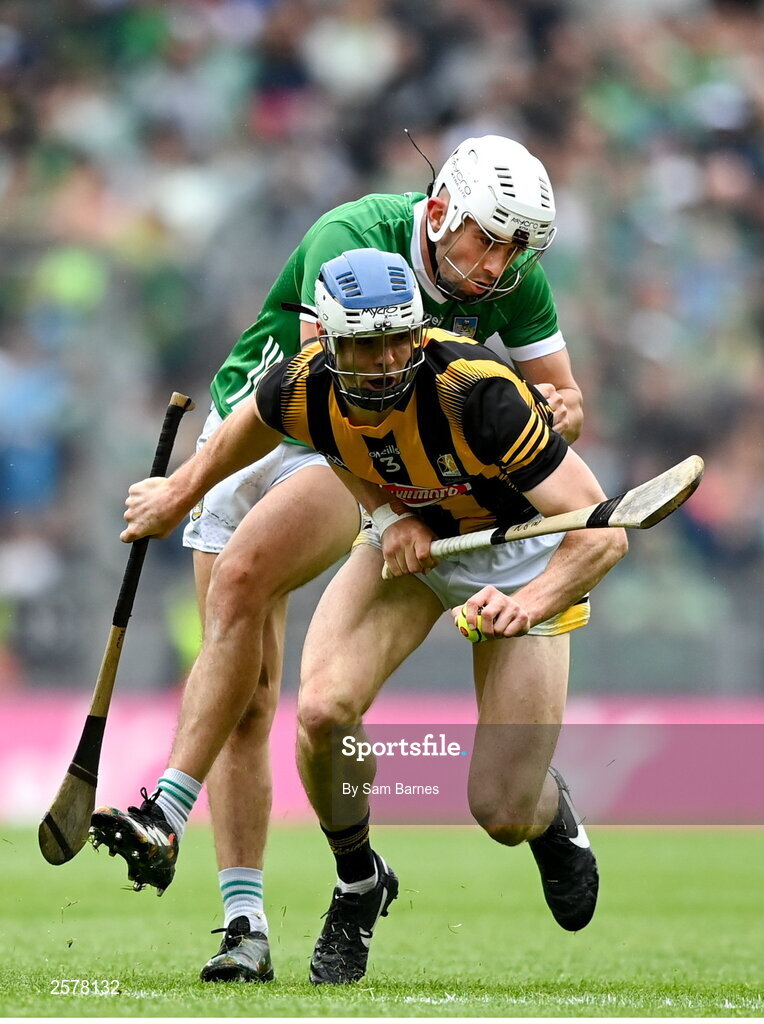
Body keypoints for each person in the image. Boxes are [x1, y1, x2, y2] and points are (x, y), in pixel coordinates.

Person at [90, 136, 585, 983]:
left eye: (518, 249)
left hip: (389, 465)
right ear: (442, 214)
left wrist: (550, 423)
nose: (500, 266)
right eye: (489, 241)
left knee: (247, 580)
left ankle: (167, 805)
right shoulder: (352, 248)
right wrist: (181, 490)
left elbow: (560, 406)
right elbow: (331, 394)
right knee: (260, 692)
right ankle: (256, 916)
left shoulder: (490, 334)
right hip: (278, 430)